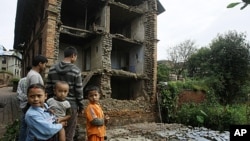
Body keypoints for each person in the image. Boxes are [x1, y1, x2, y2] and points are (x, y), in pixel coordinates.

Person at [46, 46, 84, 141]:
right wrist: (81, 106)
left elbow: (48, 89)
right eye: (76, 57)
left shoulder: (52, 69)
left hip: (53, 106)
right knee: (69, 133)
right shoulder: (76, 70)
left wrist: (49, 104)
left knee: (53, 132)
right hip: (71, 106)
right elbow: (79, 91)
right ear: (73, 56)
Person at [19, 55, 48, 141]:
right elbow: (36, 92)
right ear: (40, 64)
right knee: (29, 129)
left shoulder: (31, 73)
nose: (45, 66)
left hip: (28, 105)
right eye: (45, 64)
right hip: (33, 106)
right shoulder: (35, 75)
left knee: (24, 127)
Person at [17, 66, 32, 141]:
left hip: (23, 105)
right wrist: (30, 99)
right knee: (29, 126)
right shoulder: (33, 79)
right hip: (31, 106)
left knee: (23, 125)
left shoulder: (21, 80)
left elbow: (19, 94)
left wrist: (26, 98)